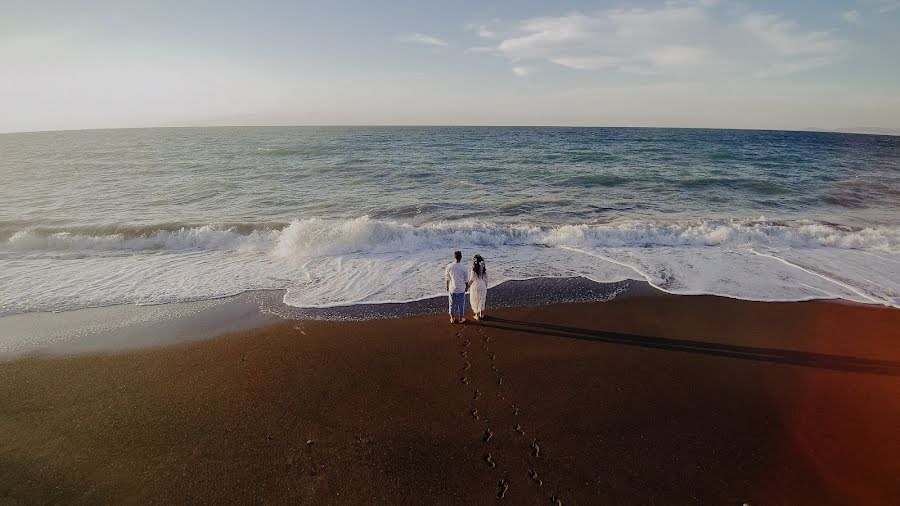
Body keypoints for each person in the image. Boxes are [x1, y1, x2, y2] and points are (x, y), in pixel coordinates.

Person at [445, 250, 469, 324]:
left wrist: (447, 286)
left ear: (454, 257)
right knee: (461, 305)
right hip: (461, 289)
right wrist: (466, 288)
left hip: (452, 289)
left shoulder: (449, 266)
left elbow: (447, 278)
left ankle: (452, 319)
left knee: (452, 304)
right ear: (461, 257)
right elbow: (466, 281)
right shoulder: (464, 268)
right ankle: (461, 319)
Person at [469, 254, 488, 320]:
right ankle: (481, 314)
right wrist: (486, 285)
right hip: (482, 284)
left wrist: (467, 286)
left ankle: (476, 315)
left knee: (475, 299)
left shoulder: (473, 269)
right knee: (481, 299)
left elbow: (472, 279)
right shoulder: (484, 268)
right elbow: (486, 278)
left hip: (475, 285)